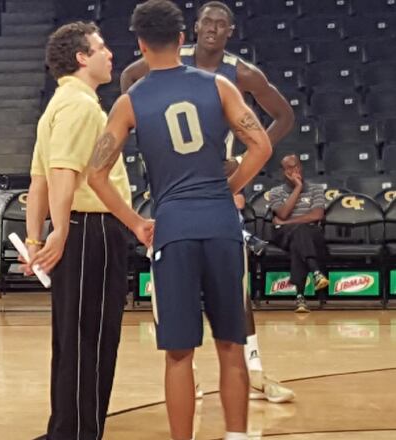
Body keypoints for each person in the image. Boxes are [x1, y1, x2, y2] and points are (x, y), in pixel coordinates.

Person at [86, 1, 272, 439]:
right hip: (222, 226)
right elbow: (261, 145)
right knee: (232, 344)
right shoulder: (220, 87)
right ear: (183, 40)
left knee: (178, 354)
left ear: (140, 45)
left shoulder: (131, 101)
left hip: (172, 229)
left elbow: (95, 173)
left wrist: (135, 222)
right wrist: (229, 187)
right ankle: (238, 435)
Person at [120, 0, 297, 404]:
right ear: (193, 29)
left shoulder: (241, 73)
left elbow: (284, 117)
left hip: (220, 187)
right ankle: (190, 374)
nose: (213, 29)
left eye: (221, 23)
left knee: (236, 289)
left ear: (230, 31)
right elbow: (129, 76)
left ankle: (253, 370)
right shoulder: (168, 60)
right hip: (175, 189)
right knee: (176, 292)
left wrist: (238, 166)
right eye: (207, 22)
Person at [24, 22, 153, 440]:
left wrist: (34, 239)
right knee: (92, 338)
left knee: (71, 337)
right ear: (82, 57)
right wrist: (59, 230)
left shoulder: (59, 104)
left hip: (78, 229)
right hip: (91, 229)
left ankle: (64, 428)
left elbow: (38, 180)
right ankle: (78, 433)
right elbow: (61, 172)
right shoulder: (80, 107)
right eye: (101, 48)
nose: (109, 54)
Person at [268, 154, 329, 313]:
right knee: (300, 233)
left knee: (299, 239)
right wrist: (298, 188)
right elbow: (282, 213)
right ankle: (316, 272)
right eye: (289, 168)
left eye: (296, 166)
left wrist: (286, 223)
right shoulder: (275, 192)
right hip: (283, 235)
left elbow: (317, 215)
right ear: (283, 171)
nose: (294, 170)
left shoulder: (316, 189)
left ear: (301, 167)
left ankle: (300, 297)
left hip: (308, 233)